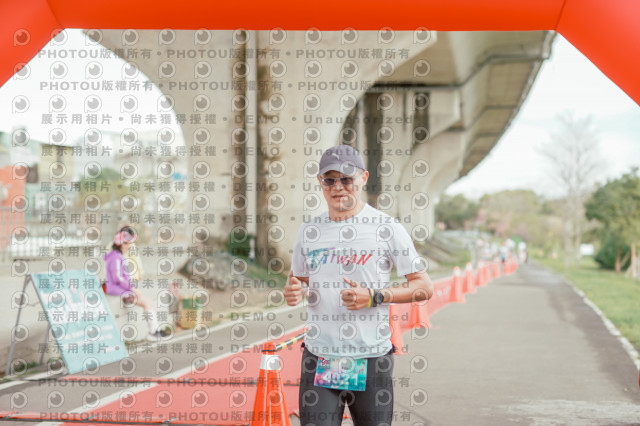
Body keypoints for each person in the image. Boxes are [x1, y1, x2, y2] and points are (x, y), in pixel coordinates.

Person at [284, 145, 434, 426]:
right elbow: (299, 281)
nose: (338, 187)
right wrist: (294, 292)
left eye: (346, 178)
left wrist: (375, 296)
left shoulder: (386, 227)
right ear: (320, 182)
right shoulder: (309, 230)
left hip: (370, 357)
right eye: (330, 180)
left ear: (363, 178)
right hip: (321, 356)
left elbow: (423, 286)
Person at [104, 229, 168, 341]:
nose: (129, 245)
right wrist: (132, 289)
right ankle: (153, 333)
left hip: (123, 290)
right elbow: (117, 278)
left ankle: (155, 331)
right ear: (121, 244)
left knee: (148, 302)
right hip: (120, 291)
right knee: (147, 302)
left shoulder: (118, 256)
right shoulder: (115, 257)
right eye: (127, 243)